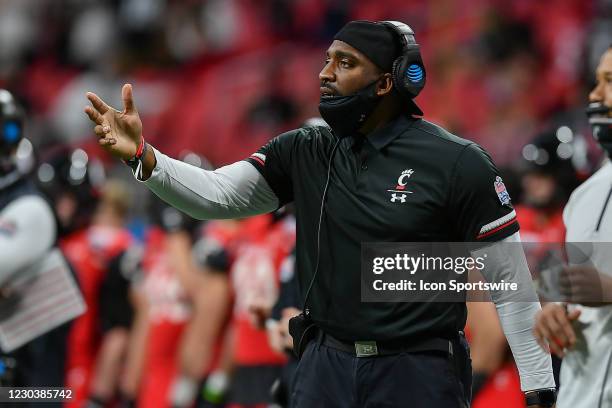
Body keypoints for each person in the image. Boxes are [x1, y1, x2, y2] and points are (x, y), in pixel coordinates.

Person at [84, 20, 556, 407]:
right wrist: (143, 157)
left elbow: (509, 283)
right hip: (323, 366)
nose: (324, 73)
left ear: (388, 81)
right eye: (327, 59)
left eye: (345, 63)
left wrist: (538, 390)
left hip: (416, 371)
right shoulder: (304, 149)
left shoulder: (457, 161)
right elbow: (218, 195)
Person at [533, 45, 612, 408]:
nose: (595, 94)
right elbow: (568, 286)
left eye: (609, 82)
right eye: (596, 80)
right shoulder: (586, 194)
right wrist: (552, 312)